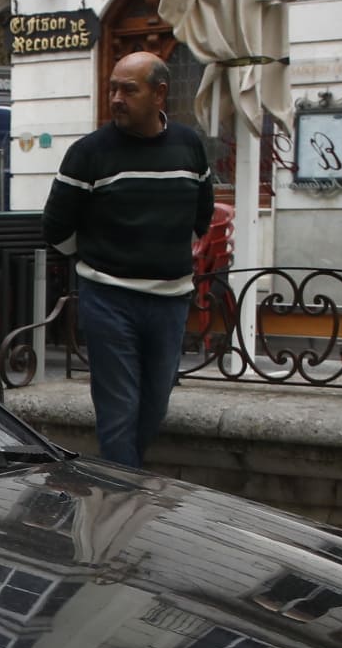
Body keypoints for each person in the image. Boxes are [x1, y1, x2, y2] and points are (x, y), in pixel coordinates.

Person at [39, 51, 216, 468]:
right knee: (119, 411)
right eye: (113, 88)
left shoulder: (189, 146)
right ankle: (123, 502)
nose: (116, 98)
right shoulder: (89, 153)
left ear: (159, 95)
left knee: (155, 404)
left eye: (128, 90)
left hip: (170, 300)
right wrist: (100, 261)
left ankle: (118, 492)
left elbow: (201, 217)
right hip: (109, 299)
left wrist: (162, 251)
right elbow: (56, 228)